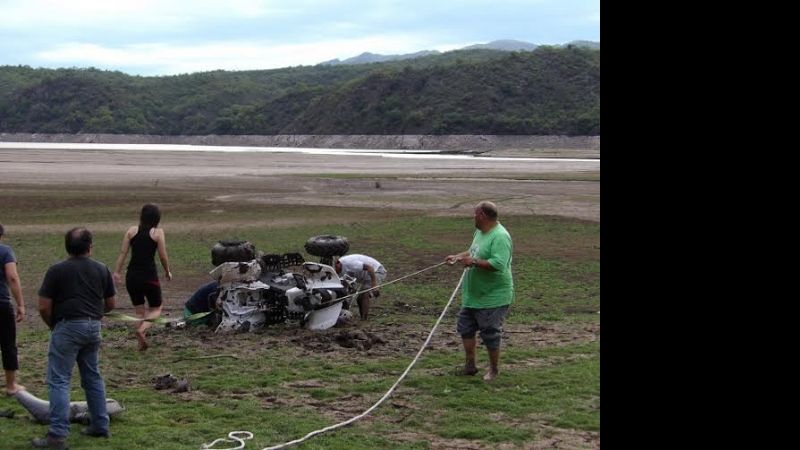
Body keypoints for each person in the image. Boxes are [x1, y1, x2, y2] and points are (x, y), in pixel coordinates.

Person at [33, 227, 116, 449]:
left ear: (67, 246)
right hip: (93, 327)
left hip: (68, 326)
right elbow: (110, 305)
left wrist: (54, 325)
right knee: (93, 376)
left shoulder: (57, 270)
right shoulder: (101, 269)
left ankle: (57, 436)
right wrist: (95, 315)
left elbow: (43, 305)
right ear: (90, 246)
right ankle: (100, 424)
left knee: (59, 380)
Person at [445, 201, 513, 382]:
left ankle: (494, 369)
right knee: (465, 328)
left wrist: (473, 262)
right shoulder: (480, 232)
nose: (473, 217)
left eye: (475, 214)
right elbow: (473, 251)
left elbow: (499, 264)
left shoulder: (500, 236)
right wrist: (459, 257)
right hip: (473, 295)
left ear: (483, 215)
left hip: (493, 296)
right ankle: (470, 366)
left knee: (490, 333)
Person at [112, 204, 172, 351]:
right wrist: (167, 271)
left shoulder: (131, 231)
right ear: (157, 218)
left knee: (139, 311)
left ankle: (140, 344)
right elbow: (163, 256)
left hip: (132, 276)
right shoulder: (158, 233)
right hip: (149, 276)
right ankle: (142, 330)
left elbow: (122, 253)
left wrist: (117, 272)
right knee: (157, 307)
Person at [0, 224, 25, 395]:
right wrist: (21, 304)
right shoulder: (5, 251)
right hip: (1, 303)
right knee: (8, 344)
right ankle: (11, 386)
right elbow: (12, 277)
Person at [335, 254, 387, 320]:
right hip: (365, 277)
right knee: (359, 298)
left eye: (335, 268)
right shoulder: (338, 269)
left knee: (365, 294)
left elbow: (370, 268)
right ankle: (362, 316)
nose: (336, 272)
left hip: (376, 271)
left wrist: (374, 284)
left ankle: (364, 319)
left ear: (338, 263)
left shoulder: (350, 263)